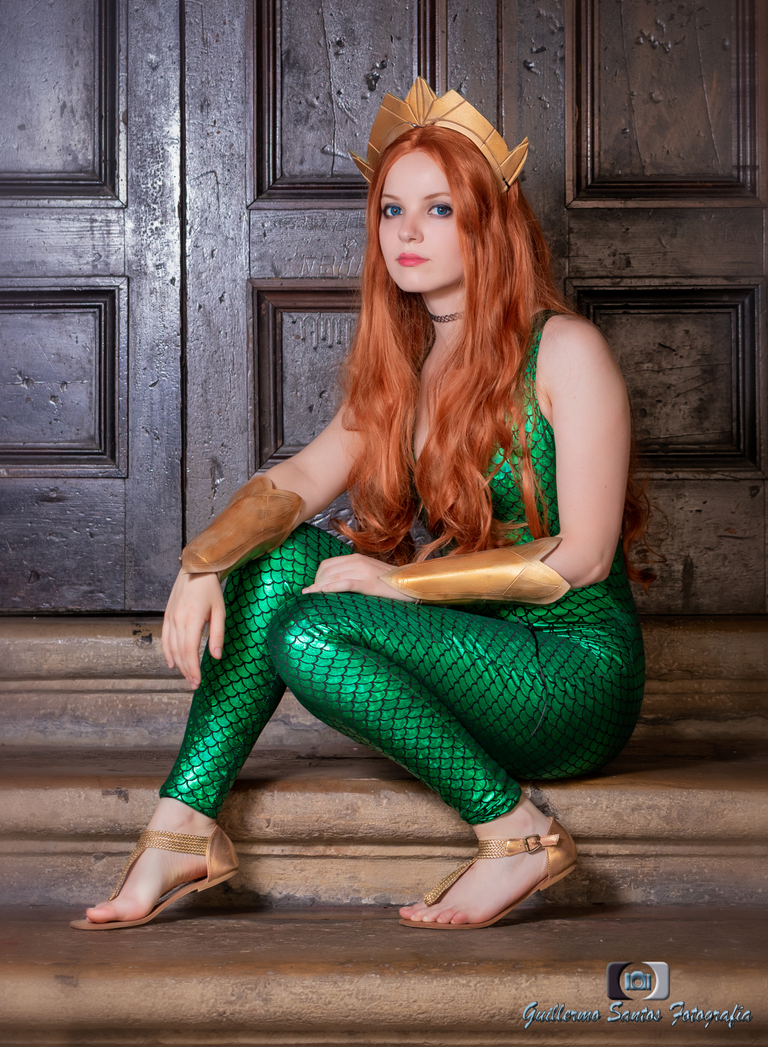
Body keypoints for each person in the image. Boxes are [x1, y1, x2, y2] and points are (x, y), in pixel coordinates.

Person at [73, 79, 646, 932]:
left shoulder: (565, 350)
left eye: (440, 210)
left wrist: (399, 587)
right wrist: (203, 563)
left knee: (308, 633)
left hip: (571, 676)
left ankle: (517, 832)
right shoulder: (407, 366)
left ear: (489, 220)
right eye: (390, 211)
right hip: (475, 655)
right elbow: (299, 480)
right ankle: (184, 825)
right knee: (281, 558)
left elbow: (586, 556)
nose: (407, 233)